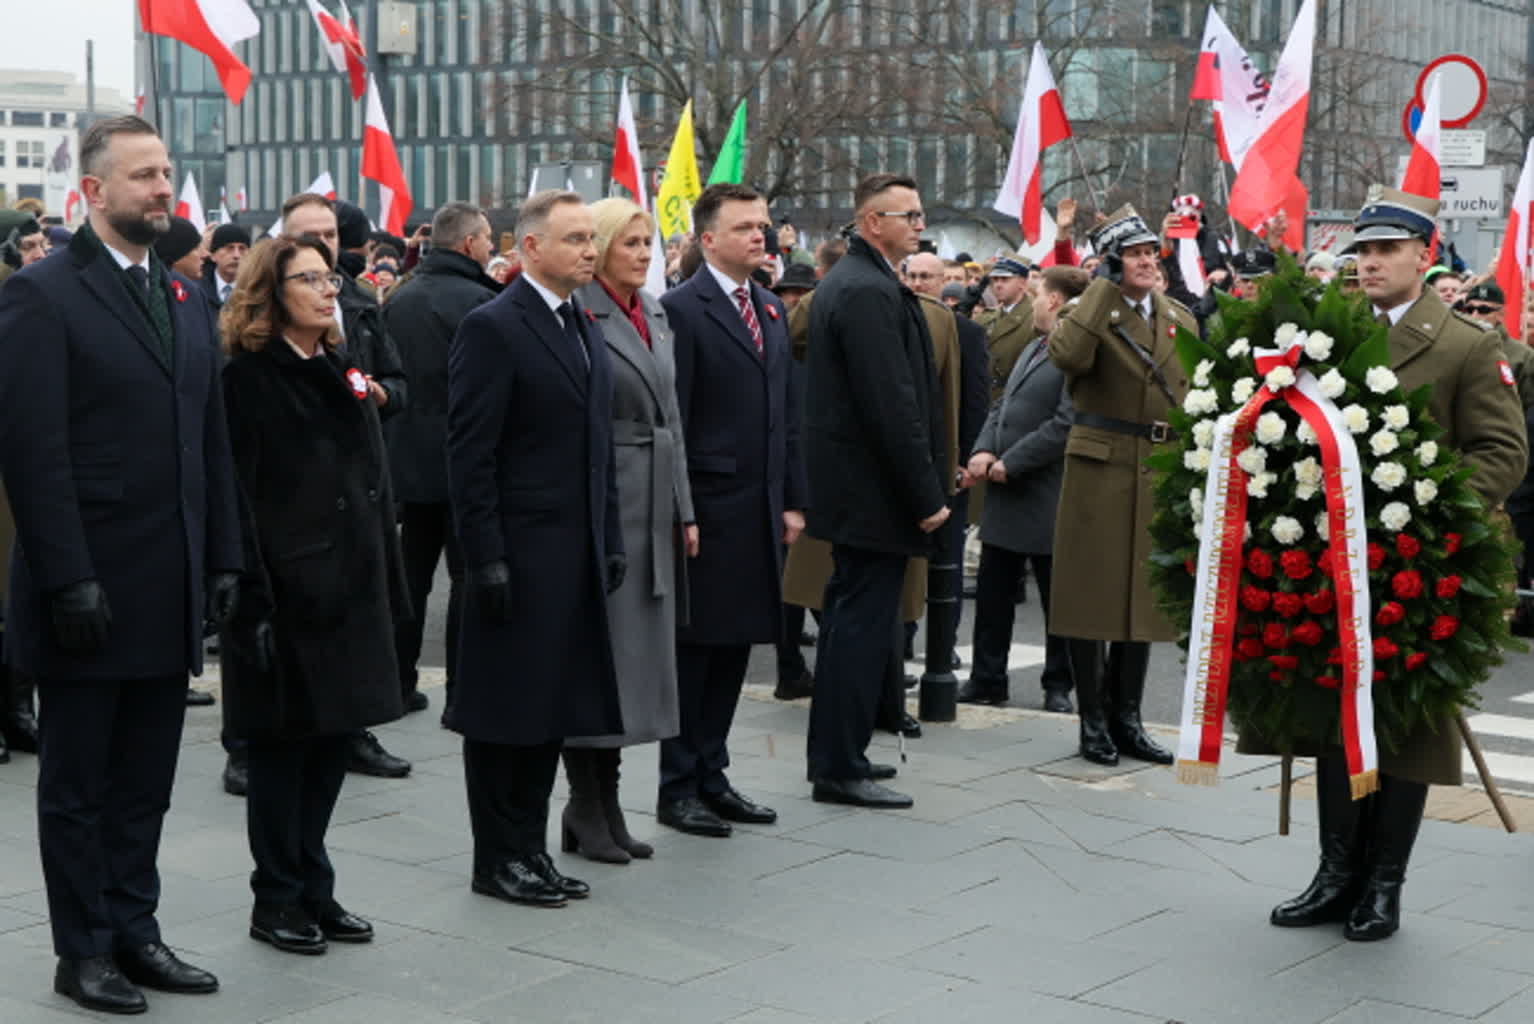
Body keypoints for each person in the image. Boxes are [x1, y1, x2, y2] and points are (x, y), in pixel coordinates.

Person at [0, 114, 241, 1014]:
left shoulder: (185, 300)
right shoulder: (43, 294)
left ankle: (137, 931)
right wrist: (68, 577)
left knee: (144, 781)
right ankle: (83, 950)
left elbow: (207, 438)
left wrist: (222, 554)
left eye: (166, 171)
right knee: (78, 785)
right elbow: (33, 451)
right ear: (92, 192)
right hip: (87, 586)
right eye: (142, 175)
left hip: (167, 580)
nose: (162, 188)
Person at [1257, 187, 1525, 942]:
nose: (1368, 263)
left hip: (1421, 565)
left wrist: (1430, 515)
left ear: (1425, 255)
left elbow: (1502, 453)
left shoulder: (1468, 345)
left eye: (1384, 251)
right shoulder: (1332, 337)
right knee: (1335, 718)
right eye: (1362, 252)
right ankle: (1335, 873)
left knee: (1403, 725)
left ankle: (1384, 884)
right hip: (1331, 565)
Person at [217, 233, 407, 955]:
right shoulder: (247, 379)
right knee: (280, 753)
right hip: (289, 592)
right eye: (310, 280)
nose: (331, 291)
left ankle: (313, 883)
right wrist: (253, 601)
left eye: (331, 279)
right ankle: (277, 897)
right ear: (271, 294)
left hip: (351, 587)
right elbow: (237, 495)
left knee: (332, 743)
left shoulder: (336, 364)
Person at [447, 189, 625, 907]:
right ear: (530, 250)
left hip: (572, 552)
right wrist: (483, 555)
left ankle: (531, 850)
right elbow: (470, 453)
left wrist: (607, 535)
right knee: (504, 714)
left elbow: (597, 448)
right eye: (576, 238)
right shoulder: (494, 326)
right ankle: (498, 857)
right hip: (518, 552)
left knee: (549, 710)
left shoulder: (583, 321)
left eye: (591, 237)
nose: (591, 249)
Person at [656, 183, 806, 838]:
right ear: (707, 239)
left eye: (764, 226)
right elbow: (674, 421)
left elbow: (787, 418)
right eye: (745, 227)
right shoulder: (682, 312)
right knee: (697, 651)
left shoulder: (770, 309)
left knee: (737, 646)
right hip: (709, 509)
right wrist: (680, 509)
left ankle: (714, 774)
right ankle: (678, 783)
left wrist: (795, 498)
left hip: (762, 507)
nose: (760, 236)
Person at [803, 173, 948, 808]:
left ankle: (844, 752)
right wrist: (926, 496)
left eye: (919, 215)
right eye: (907, 216)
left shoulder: (864, 281)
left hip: (860, 491)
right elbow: (891, 405)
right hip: (872, 494)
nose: (919, 224)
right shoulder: (863, 290)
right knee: (858, 629)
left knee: (852, 624)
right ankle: (838, 766)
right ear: (871, 224)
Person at [561, 197, 696, 863]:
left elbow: (672, 413)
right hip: (610, 499)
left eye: (649, 243)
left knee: (638, 665)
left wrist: (685, 508)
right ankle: (586, 802)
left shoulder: (656, 312)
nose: (645, 254)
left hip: (652, 500)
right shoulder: (582, 310)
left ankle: (606, 800)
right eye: (631, 243)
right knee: (603, 659)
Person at [1048, 205, 1197, 768]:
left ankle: (1127, 718)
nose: (1144, 261)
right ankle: (1092, 722)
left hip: (1158, 462)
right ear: (1111, 260)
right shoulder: (1090, 310)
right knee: (1092, 598)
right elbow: (1066, 357)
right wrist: (1098, 291)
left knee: (1143, 599)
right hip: (1100, 464)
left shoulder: (1176, 314)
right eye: (1131, 253)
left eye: (1148, 252)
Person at [280, 192, 413, 780]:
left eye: (330, 235)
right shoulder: (262, 321)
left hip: (363, 484)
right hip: (299, 500)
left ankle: (354, 729)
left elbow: (398, 382)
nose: (323, 246)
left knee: (361, 616)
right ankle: (250, 746)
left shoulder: (360, 305)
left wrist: (383, 394)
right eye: (308, 235)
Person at [382, 201, 500, 722]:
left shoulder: (398, 298)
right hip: (464, 462)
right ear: (469, 243)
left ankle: (397, 684)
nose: (493, 246)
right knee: (469, 579)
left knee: (410, 580)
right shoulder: (481, 303)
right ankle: (463, 687)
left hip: (407, 464)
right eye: (489, 238)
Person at [959, 265, 1087, 712]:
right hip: (1005, 493)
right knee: (993, 598)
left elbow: (1065, 423)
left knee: (1059, 602)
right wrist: (982, 449)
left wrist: (1011, 461)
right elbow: (1003, 406)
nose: (1032, 302)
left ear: (1052, 300)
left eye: (1037, 294)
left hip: (1047, 493)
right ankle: (987, 679)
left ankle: (1059, 687)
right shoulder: (1035, 347)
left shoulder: (1073, 354)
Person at [974, 255, 1035, 403]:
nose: (998, 285)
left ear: (1023, 283)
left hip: (1015, 400)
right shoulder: (987, 318)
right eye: (995, 279)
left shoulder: (1034, 318)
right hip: (985, 399)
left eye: (1005, 279)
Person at [202, 222, 250, 307]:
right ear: (213, 255)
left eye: (242, 248)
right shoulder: (198, 290)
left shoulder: (256, 292)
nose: (236, 255)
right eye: (229, 248)